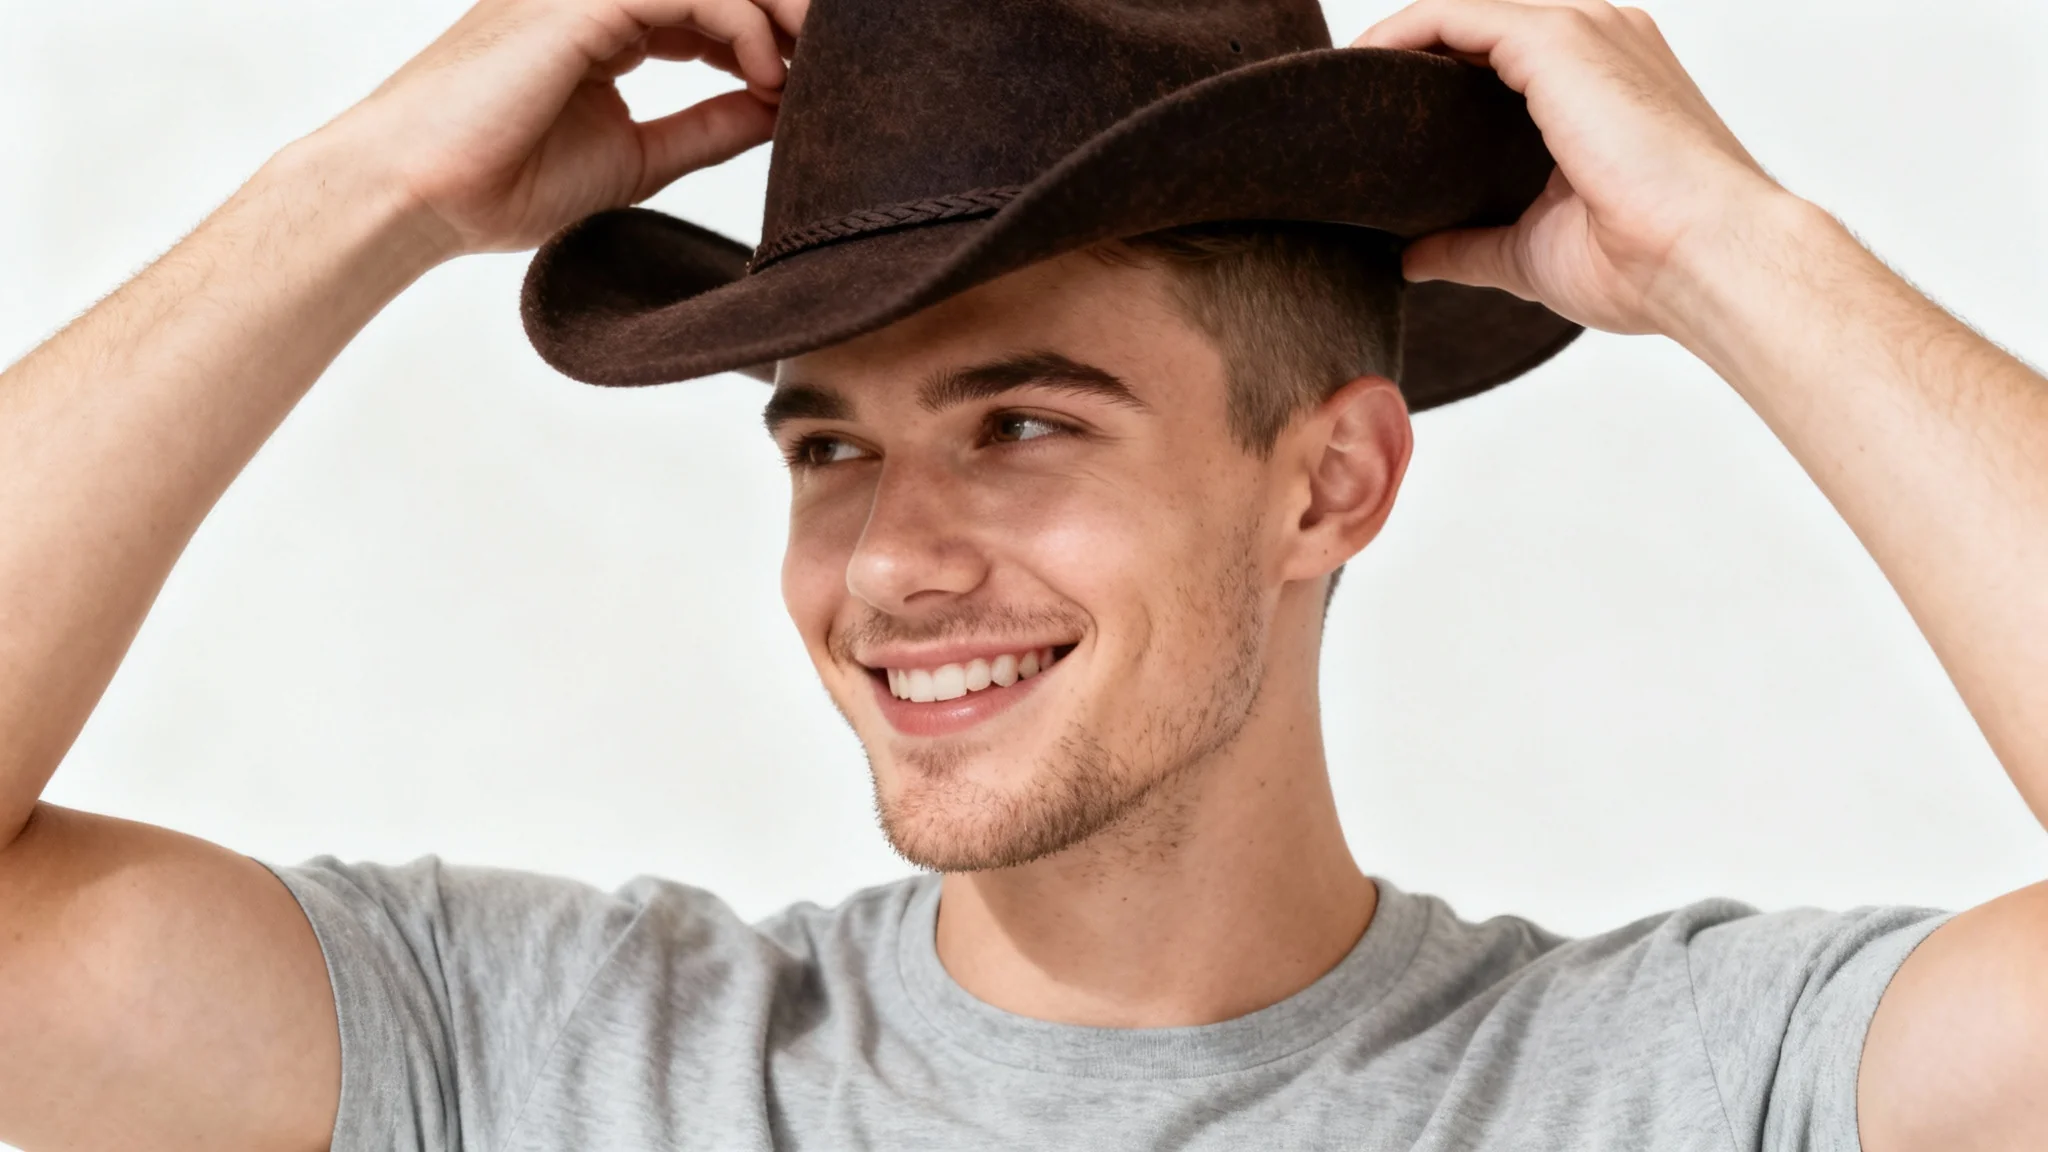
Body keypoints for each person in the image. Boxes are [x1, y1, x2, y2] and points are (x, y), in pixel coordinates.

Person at [1, 0, 2043, 1149]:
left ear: (1330, 484)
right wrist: (358, 188)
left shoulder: (1691, 1087)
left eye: (1024, 424)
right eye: (829, 445)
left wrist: (1734, 251)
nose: (891, 558)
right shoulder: (540, 1060)